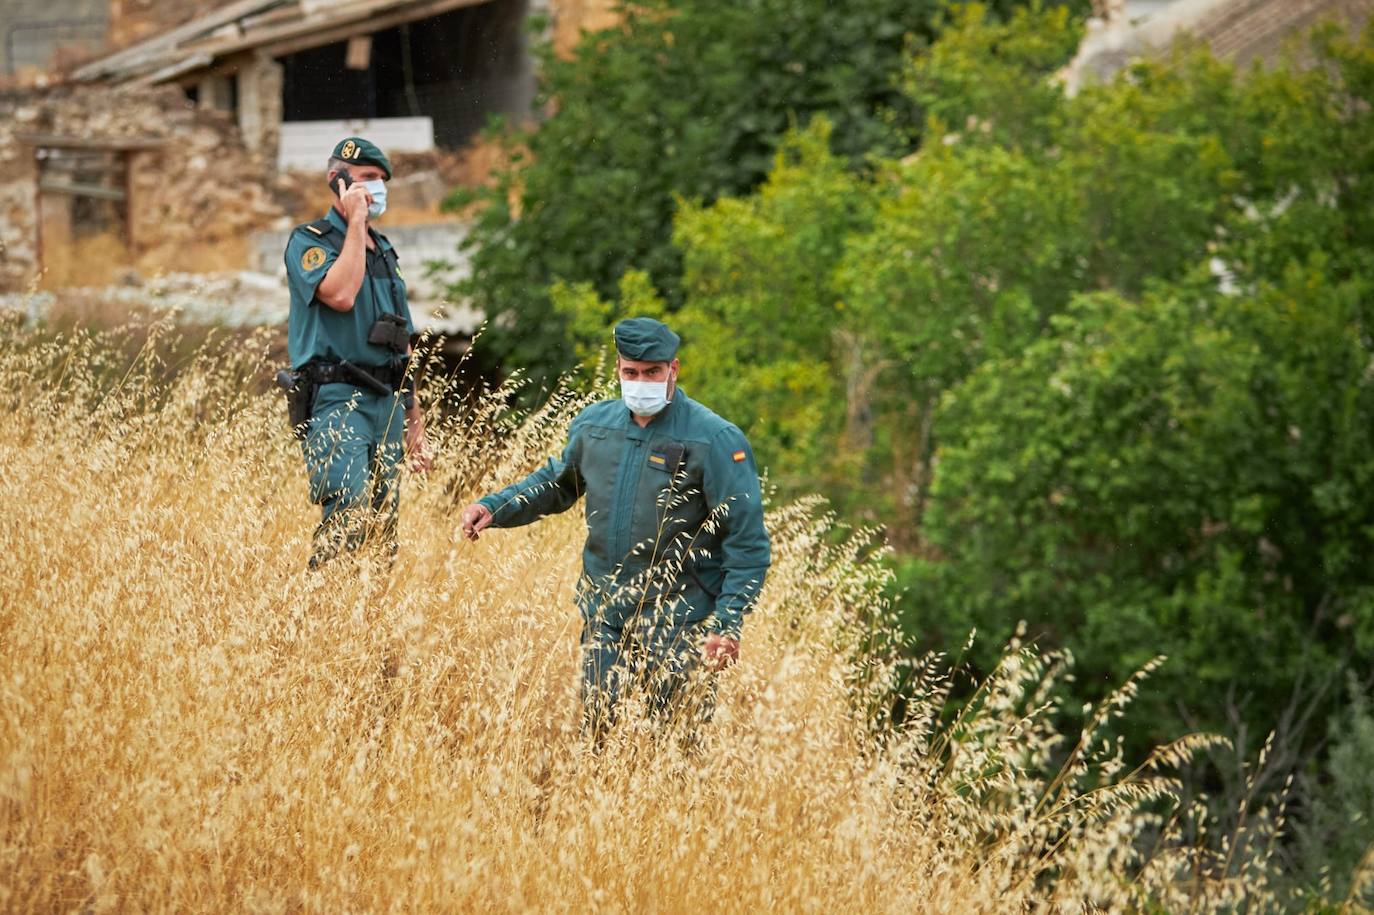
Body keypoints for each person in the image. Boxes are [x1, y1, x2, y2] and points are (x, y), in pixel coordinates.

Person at [460, 317, 771, 736]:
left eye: (652, 373)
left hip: (678, 620)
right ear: (619, 371)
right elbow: (556, 485)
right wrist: (495, 507)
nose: (640, 382)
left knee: (674, 748)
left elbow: (747, 541)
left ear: (673, 370)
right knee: (600, 736)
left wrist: (728, 621)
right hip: (605, 614)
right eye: (631, 373)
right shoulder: (595, 427)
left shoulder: (714, 439)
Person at [285, 136, 431, 569]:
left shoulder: (385, 252)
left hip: (386, 402)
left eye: (381, 181)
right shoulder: (311, 240)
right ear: (338, 180)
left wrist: (414, 418)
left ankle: (369, 627)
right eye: (366, 179)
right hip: (337, 397)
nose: (376, 189)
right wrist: (354, 223)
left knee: (383, 530)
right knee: (347, 512)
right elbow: (342, 294)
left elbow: (402, 341)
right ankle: (322, 615)